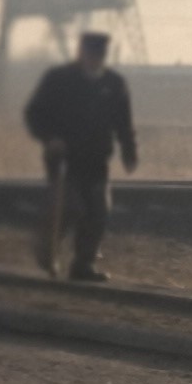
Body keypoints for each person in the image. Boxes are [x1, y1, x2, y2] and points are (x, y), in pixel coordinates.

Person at [23, 29, 140, 282]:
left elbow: (124, 123)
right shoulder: (59, 79)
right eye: (90, 53)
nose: (94, 58)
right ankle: (46, 250)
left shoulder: (114, 84)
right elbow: (34, 113)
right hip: (64, 158)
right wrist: (49, 137)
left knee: (97, 212)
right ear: (82, 53)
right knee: (70, 206)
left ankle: (83, 265)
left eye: (99, 54)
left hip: (97, 160)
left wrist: (129, 152)